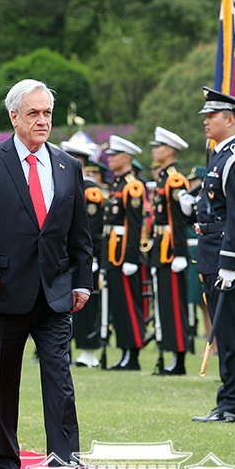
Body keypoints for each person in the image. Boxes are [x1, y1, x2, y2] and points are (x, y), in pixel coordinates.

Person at [0, 79, 92, 469]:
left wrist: (82, 283)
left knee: (59, 377)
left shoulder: (69, 165)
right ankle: (3, 463)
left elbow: (79, 234)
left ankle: (64, 462)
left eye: (47, 112)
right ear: (13, 116)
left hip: (54, 292)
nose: (42, 120)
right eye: (33, 112)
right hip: (1, 289)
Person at [191, 87, 235, 423]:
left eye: (211, 116)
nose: (206, 121)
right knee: (224, 334)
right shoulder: (219, 155)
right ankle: (226, 402)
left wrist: (229, 264)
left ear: (229, 119)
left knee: (232, 335)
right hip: (212, 253)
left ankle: (234, 405)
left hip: (227, 258)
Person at [149, 126, 193, 375]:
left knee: (175, 305)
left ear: (169, 150)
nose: (154, 151)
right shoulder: (164, 177)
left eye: (158, 147)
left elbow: (177, 219)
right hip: (161, 246)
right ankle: (171, 356)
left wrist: (179, 252)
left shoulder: (175, 179)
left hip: (171, 249)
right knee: (165, 304)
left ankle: (179, 360)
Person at [103, 135, 149, 370]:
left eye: (114, 155)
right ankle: (124, 352)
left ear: (127, 157)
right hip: (112, 251)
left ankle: (133, 355)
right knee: (119, 306)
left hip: (124, 253)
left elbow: (134, 224)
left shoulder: (132, 185)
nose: (109, 159)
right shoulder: (117, 184)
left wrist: (131, 255)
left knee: (130, 305)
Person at [61, 140, 107, 368]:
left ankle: (89, 352)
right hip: (64, 255)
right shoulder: (69, 184)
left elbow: (92, 229)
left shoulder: (90, 189)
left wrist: (95, 257)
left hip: (85, 257)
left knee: (86, 304)